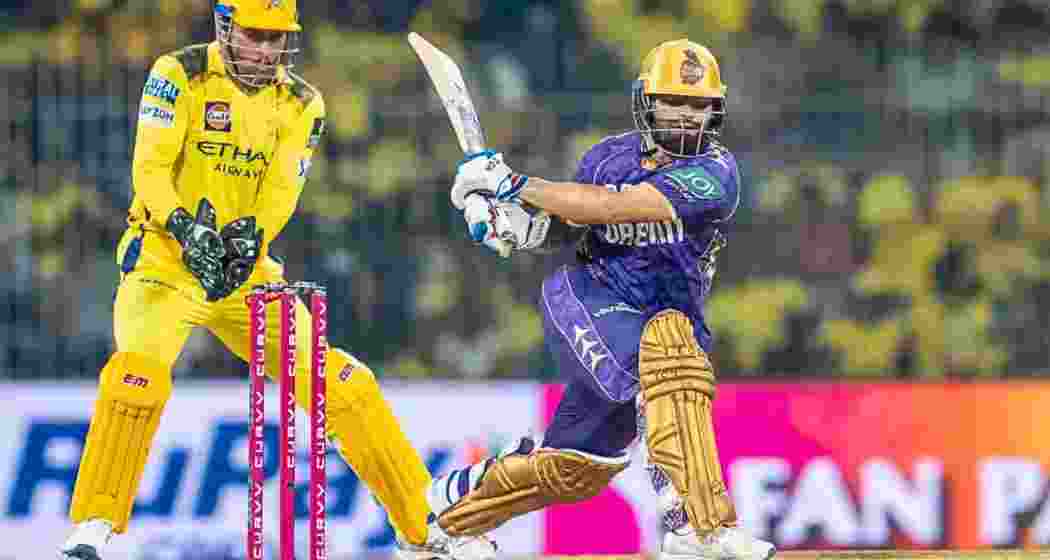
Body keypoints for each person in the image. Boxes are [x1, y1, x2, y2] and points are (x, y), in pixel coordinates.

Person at [59, 2, 494, 559]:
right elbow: (150, 170)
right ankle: (93, 528)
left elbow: (282, 189)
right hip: (164, 263)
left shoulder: (302, 101)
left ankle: (426, 529)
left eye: (276, 38)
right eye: (255, 35)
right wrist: (187, 230)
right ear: (225, 26)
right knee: (136, 378)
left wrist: (251, 240)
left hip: (245, 275)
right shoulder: (178, 73)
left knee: (346, 388)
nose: (266, 50)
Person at [430, 39, 776, 560]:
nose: (686, 115)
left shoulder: (716, 174)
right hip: (589, 298)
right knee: (668, 348)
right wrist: (512, 224)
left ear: (716, 111)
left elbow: (613, 208)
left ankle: (450, 518)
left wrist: (512, 183)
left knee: (576, 469)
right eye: (673, 101)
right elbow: (563, 226)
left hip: (665, 315)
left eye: (699, 104)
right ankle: (698, 530)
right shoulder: (606, 158)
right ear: (646, 102)